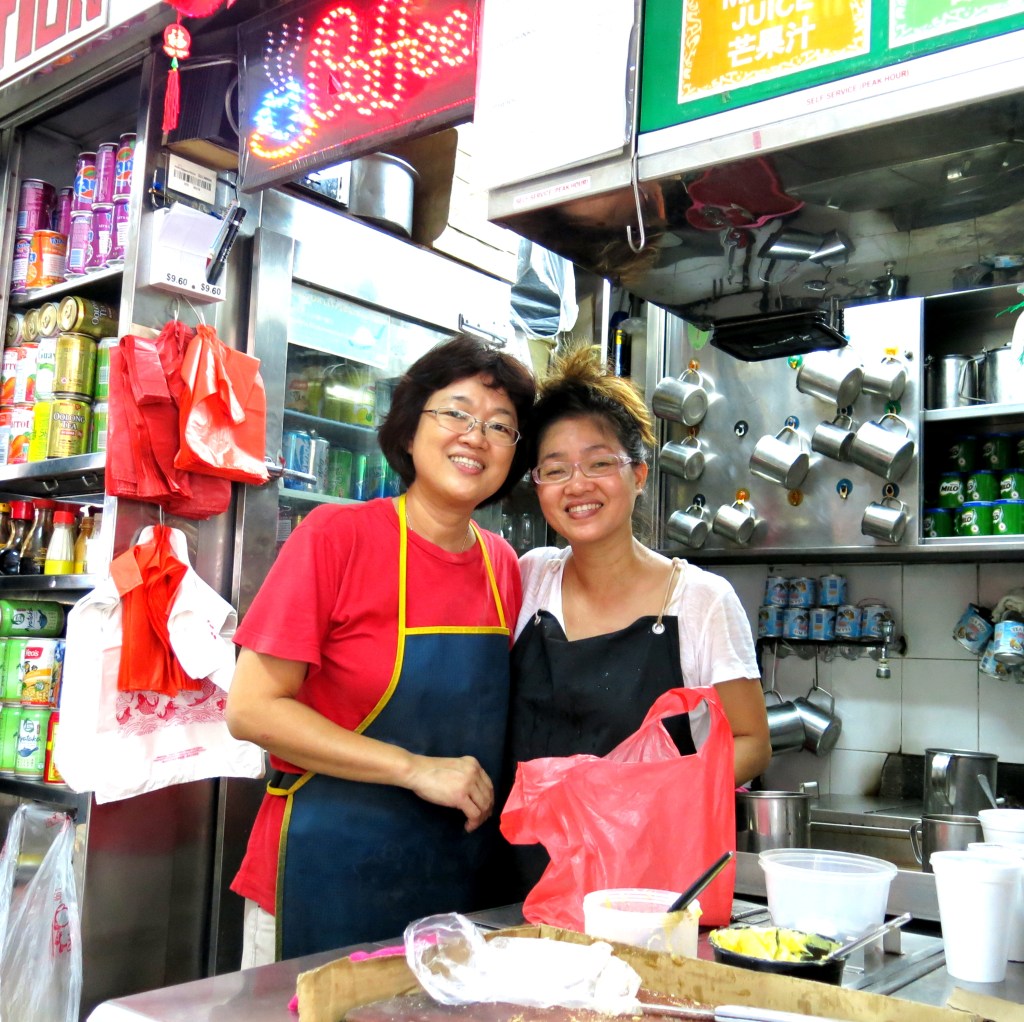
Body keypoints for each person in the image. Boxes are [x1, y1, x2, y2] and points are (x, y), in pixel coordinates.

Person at [225, 335, 536, 965]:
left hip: (450, 892)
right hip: (322, 875)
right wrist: (414, 768)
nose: (475, 436)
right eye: (456, 412)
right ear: (410, 426)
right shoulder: (337, 538)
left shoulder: (503, 565)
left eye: (500, 426)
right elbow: (252, 710)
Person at [498, 346, 771, 898]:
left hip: (644, 886)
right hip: (515, 881)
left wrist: (638, 794)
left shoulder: (699, 600)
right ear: (539, 487)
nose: (578, 485)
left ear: (640, 474)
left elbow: (752, 743)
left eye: (600, 463)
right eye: (555, 470)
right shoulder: (529, 579)